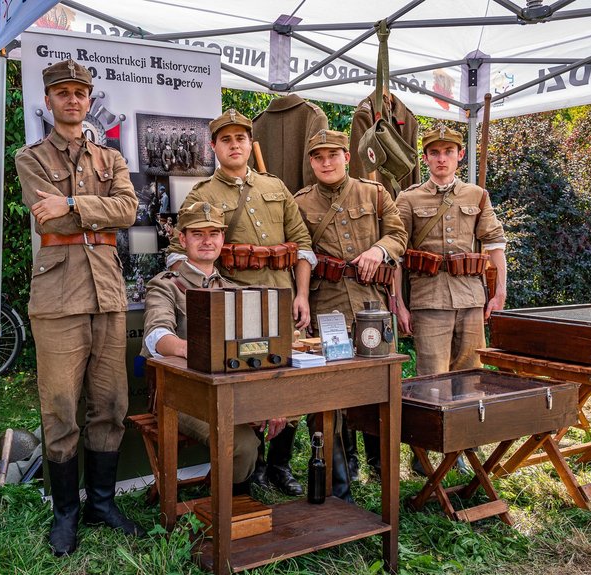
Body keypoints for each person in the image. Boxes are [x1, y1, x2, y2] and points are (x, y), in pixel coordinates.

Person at [14, 58, 143, 557]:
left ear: (90, 100)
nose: (72, 99)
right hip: (58, 296)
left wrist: (70, 208)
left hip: (107, 294)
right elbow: (42, 212)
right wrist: (89, 214)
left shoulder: (110, 159)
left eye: (79, 92)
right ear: (48, 101)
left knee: (110, 403)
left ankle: (102, 504)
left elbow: (128, 211)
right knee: (61, 407)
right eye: (62, 92)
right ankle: (66, 511)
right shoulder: (31, 157)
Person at [167, 108, 316, 496]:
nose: (235, 145)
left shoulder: (276, 187)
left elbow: (302, 244)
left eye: (241, 138)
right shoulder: (203, 195)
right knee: (249, 377)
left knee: (288, 381)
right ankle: (255, 465)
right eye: (226, 139)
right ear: (213, 146)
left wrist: (302, 294)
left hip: (282, 294)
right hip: (238, 302)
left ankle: (281, 465)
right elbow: (177, 250)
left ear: (251, 144)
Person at [293, 129, 407, 497]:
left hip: (371, 305)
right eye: (318, 157)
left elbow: (398, 235)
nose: (326, 162)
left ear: (346, 156)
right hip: (327, 306)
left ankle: (381, 467)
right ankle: (337, 476)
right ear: (311, 162)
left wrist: (379, 250)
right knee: (329, 392)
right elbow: (299, 251)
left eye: (333, 154)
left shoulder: (374, 193)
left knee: (377, 387)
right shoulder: (300, 202)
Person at [393, 124, 506, 472]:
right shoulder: (409, 198)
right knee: (432, 380)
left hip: (471, 297)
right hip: (429, 300)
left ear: (459, 155)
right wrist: (398, 303)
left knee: (471, 376)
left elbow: (495, 242)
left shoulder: (477, 195)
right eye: (434, 153)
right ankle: (426, 453)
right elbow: (396, 254)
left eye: (448, 152)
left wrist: (499, 291)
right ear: (425, 158)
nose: (441, 159)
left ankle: (464, 448)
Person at [142, 202, 276, 493]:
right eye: (198, 234)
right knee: (240, 444)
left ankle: (233, 495)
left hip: (228, 389)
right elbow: (156, 337)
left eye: (214, 233)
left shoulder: (232, 289)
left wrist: (270, 402)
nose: (207, 241)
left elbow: (255, 346)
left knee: (286, 411)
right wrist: (197, 350)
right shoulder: (165, 285)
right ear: (183, 239)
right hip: (180, 394)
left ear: (222, 240)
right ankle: (222, 504)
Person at [349, 89, 420, 198]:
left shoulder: (409, 120)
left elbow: (414, 167)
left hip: (404, 200)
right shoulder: (366, 114)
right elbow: (359, 166)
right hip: (377, 200)